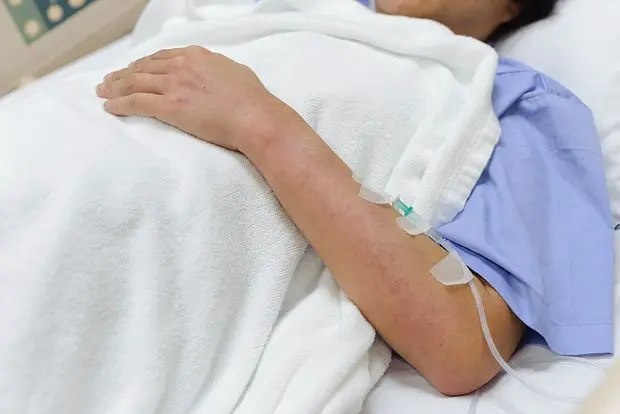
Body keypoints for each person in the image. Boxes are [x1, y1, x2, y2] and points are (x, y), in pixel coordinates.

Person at [95, 0, 614, 396]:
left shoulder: (518, 100)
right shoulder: (287, 12)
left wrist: (259, 122)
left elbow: (460, 343)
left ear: (511, 7)